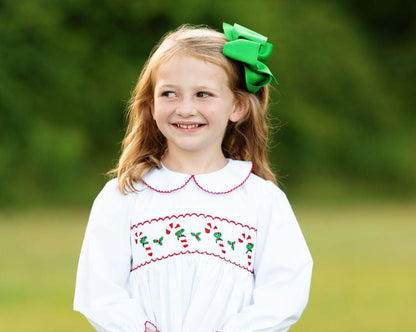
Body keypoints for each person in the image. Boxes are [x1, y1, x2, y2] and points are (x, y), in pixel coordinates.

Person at [74, 22, 313, 332]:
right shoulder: (124, 195)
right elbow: (100, 292)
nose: (185, 109)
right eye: (169, 94)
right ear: (152, 104)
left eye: (203, 94)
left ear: (237, 106)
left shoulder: (262, 200)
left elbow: (284, 292)